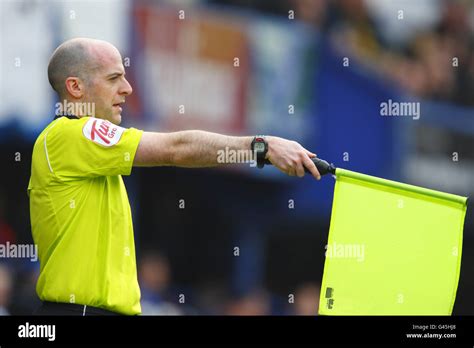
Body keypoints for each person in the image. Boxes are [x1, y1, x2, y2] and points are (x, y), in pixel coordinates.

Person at [28, 38, 321, 316]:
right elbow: (176, 149)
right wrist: (263, 147)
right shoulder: (72, 134)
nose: (127, 88)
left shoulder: (84, 149)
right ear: (75, 88)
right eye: (113, 78)